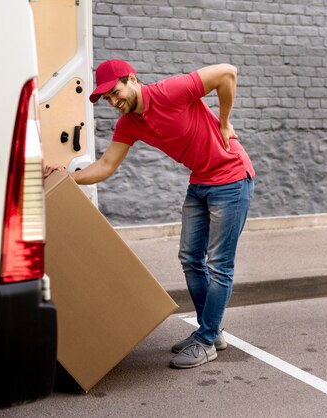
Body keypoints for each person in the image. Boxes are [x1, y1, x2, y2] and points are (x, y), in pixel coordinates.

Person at [63, 59, 255, 369]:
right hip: (201, 181)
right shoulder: (130, 123)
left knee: (219, 264)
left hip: (231, 179)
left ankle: (206, 341)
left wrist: (223, 121)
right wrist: (64, 177)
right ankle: (212, 332)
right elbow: (105, 165)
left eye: (115, 92)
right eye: (108, 99)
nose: (113, 102)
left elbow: (227, 72)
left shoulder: (170, 92)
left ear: (132, 79)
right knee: (190, 257)